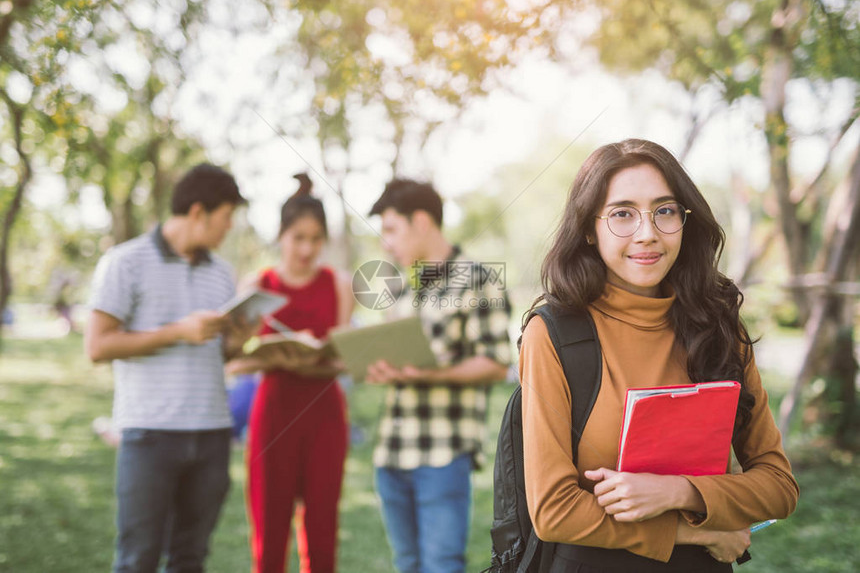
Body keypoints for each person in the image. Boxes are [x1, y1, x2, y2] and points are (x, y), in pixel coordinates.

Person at [519, 139, 799, 572]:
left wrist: (678, 492)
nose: (647, 233)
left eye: (665, 211)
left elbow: (779, 487)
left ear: (686, 222)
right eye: (622, 214)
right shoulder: (553, 334)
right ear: (590, 229)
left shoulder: (719, 326)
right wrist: (696, 530)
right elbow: (554, 511)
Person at [85, 163, 251, 573]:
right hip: (150, 434)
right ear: (199, 212)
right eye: (226, 217)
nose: (228, 228)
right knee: (137, 557)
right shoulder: (124, 262)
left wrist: (239, 337)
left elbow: (222, 354)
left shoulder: (222, 274)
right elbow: (98, 345)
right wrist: (178, 331)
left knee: (190, 558)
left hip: (212, 434)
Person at [365, 179, 513, 573]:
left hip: (442, 455)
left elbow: (497, 363)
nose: (386, 243)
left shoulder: (479, 280)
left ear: (422, 221)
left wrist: (427, 375)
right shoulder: (401, 286)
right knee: (407, 564)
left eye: (392, 230)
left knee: (441, 565)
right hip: (391, 452)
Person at [226, 173, 354, 573]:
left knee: (321, 529)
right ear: (281, 235)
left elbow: (347, 358)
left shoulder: (340, 285)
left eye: (316, 239)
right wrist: (275, 359)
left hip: (325, 416)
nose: (307, 249)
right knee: (270, 528)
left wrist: (317, 359)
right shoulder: (256, 285)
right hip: (274, 413)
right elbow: (233, 361)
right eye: (298, 237)